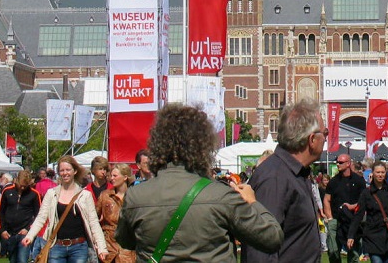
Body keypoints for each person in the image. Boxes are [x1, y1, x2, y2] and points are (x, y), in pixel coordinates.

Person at [116, 104, 282, 262]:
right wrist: (252, 202)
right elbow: (272, 237)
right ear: (202, 146)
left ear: (157, 145)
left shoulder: (136, 196)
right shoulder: (221, 196)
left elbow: (126, 241)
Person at [244, 99, 326, 263]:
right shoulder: (275, 178)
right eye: (325, 133)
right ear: (312, 140)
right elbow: (261, 249)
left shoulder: (296, 173)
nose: (325, 139)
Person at [22, 156, 108, 263]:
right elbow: (41, 217)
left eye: (68, 170)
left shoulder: (85, 195)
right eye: (62, 170)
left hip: (79, 247)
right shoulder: (51, 194)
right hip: (56, 246)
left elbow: (94, 223)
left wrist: (102, 248)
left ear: (75, 171)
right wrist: (30, 236)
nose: (65, 173)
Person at [346, 161, 388, 263]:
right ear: (372, 173)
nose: (380, 175)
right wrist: (351, 235)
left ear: (386, 173)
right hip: (373, 235)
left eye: (382, 172)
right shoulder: (366, 193)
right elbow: (358, 215)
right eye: (378, 172)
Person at [323, 154, 366, 263]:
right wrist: (330, 218)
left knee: (354, 253)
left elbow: (364, 201)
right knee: (333, 251)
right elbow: (327, 200)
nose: (338, 164)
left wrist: (353, 207)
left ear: (348, 163)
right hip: (336, 220)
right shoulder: (333, 182)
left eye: (341, 162)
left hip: (353, 220)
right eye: (337, 162)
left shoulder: (359, 181)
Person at [0, 171, 40, 263]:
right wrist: (2, 230)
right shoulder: (7, 191)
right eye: (21, 185)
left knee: (22, 260)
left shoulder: (34, 194)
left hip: (24, 233)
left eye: (25, 185)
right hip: (9, 232)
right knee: (12, 260)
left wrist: (28, 229)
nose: (22, 187)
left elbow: (39, 215)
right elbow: (1, 211)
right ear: (16, 181)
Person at [95, 165, 134, 263]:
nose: (111, 178)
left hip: (128, 250)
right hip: (109, 247)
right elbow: (94, 219)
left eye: (115, 176)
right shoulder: (105, 195)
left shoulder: (134, 196)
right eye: (111, 175)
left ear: (125, 177)